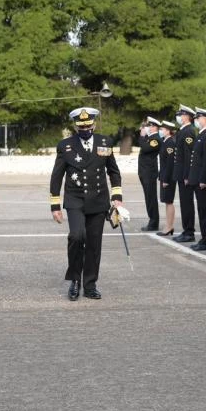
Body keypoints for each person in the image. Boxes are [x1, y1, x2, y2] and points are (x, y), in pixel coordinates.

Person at [49, 107, 124, 300]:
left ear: (94, 124)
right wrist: (55, 205)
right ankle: (75, 280)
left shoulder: (105, 142)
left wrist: (117, 198)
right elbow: (57, 176)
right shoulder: (65, 145)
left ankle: (90, 284)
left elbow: (113, 172)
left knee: (94, 243)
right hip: (75, 199)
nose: (85, 129)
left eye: (88, 125)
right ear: (75, 126)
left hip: (99, 200)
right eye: (81, 126)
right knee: (76, 236)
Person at [189, 108, 206, 252]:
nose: (196, 121)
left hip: (202, 181)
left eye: (198, 118)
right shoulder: (201, 135)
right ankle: (204, 239)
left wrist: (203, 179)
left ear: (205, 119)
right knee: (202, 211)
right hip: (197, 179)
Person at [172, 105, 197, 243]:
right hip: (181, 173)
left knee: (187, 203)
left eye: (180, 115)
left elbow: (189, 156)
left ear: (187, 116)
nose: (178, 117)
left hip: (185, 175)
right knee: (184, 203)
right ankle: (186, 230)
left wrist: (188, 175)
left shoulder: (188, 132)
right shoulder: (183, 131)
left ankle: (189, 232)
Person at [137, 117, 161, 232]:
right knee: (148, 198)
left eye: (149, 126)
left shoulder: (155, 138)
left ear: (154, 127)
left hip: (149, 173)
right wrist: (143, 136)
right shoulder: (149, 138)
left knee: (151, 198)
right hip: (144, 172)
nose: (147, 128)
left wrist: (142, 136)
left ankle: (153, 223)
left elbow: (145, 148)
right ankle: (152, 221)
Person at [157, 121, 177, 236]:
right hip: (164, 176)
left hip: (168, 178)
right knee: (166, 201)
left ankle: (169, 226)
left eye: (163, 129)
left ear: (168, 131)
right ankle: (168, 225)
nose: (161, 131)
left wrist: (165, 179)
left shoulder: (170, 143)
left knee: (169, 201)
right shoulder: (166, 142)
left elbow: (169, 164)